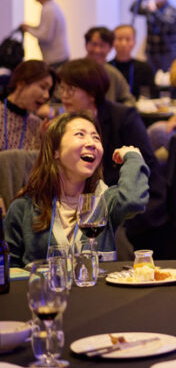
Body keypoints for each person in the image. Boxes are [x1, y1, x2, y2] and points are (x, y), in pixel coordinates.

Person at [58, 58, 172, 257]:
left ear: (91, 92)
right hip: (92, 201)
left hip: (135, 200)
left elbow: (145, 163)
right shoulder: (65, 124)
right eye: (62, 88)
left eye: (71, 89)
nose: (64, 95)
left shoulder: (123, 117)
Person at [3, 112, 149, 266]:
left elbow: (133, 201)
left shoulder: (105, 201)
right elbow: (7, 269)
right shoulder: (23, 209)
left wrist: (132, 156)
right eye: (80, 134)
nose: (91, 143)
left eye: (96, 138)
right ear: (55, 151)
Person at [1, 60, 52, 151]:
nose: (46, 96)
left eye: (49, 90)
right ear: (21, 83)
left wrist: (43, 141)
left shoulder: (37, 125)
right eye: (43, 87)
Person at [129, 0, 176, 73]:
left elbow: (166, 25)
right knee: (151, 77)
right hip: (152, 52)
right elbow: (133, 9)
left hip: (167, 53)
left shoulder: (172, 10)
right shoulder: (150, 8)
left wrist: (155, 11)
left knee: (166, 78)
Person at [19, 0, 69, 67]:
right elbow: (44, 29)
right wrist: (30, 27)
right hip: (57, 57)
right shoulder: (50, 7)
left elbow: (46, 36)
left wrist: (27, 29)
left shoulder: (48, 10)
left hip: (56, 58)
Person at [83, 26, 136, 105]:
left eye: (102, 45)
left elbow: (129, 100)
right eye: (94, 44)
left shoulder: (113, 74)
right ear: (86, 45)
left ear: (110, 48)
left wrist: (118, 111)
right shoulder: (73, 71)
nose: (97, 50)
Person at [110, 25, 156, 99]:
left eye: (128, 39)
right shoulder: (106, 68)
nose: (123, 43)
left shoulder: (144, 68)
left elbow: (152, 95)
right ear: (112, 42)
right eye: (119, 39)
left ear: (134, 42)